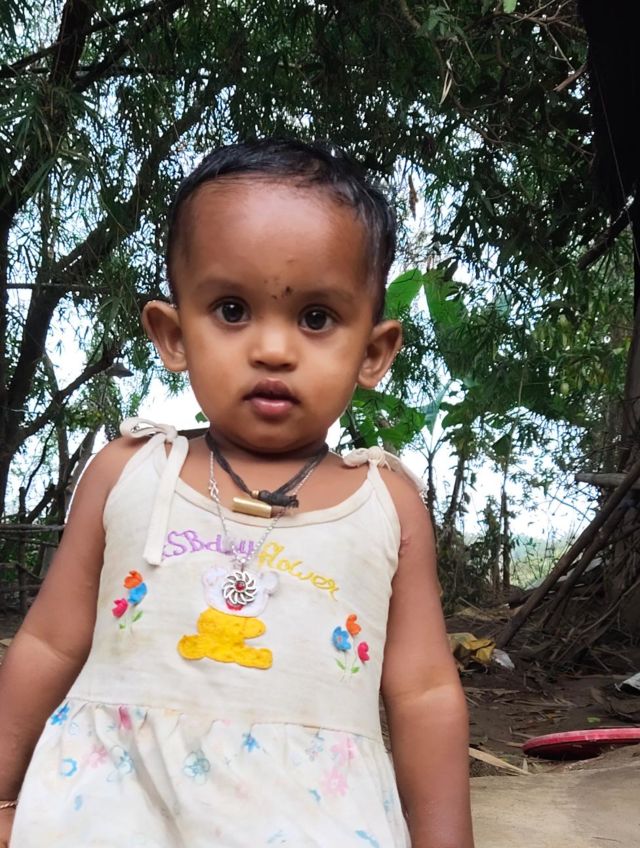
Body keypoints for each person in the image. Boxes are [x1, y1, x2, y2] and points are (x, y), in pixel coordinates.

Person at [0, 139, 474, 847]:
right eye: (230, 309)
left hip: (312, 821)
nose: (273, 349)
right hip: (112, 815)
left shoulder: (387, 504)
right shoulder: (129, 473)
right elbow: (46, 643)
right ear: (172, 334)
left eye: (317, 317)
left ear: (373, 352)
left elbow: (424, 693)